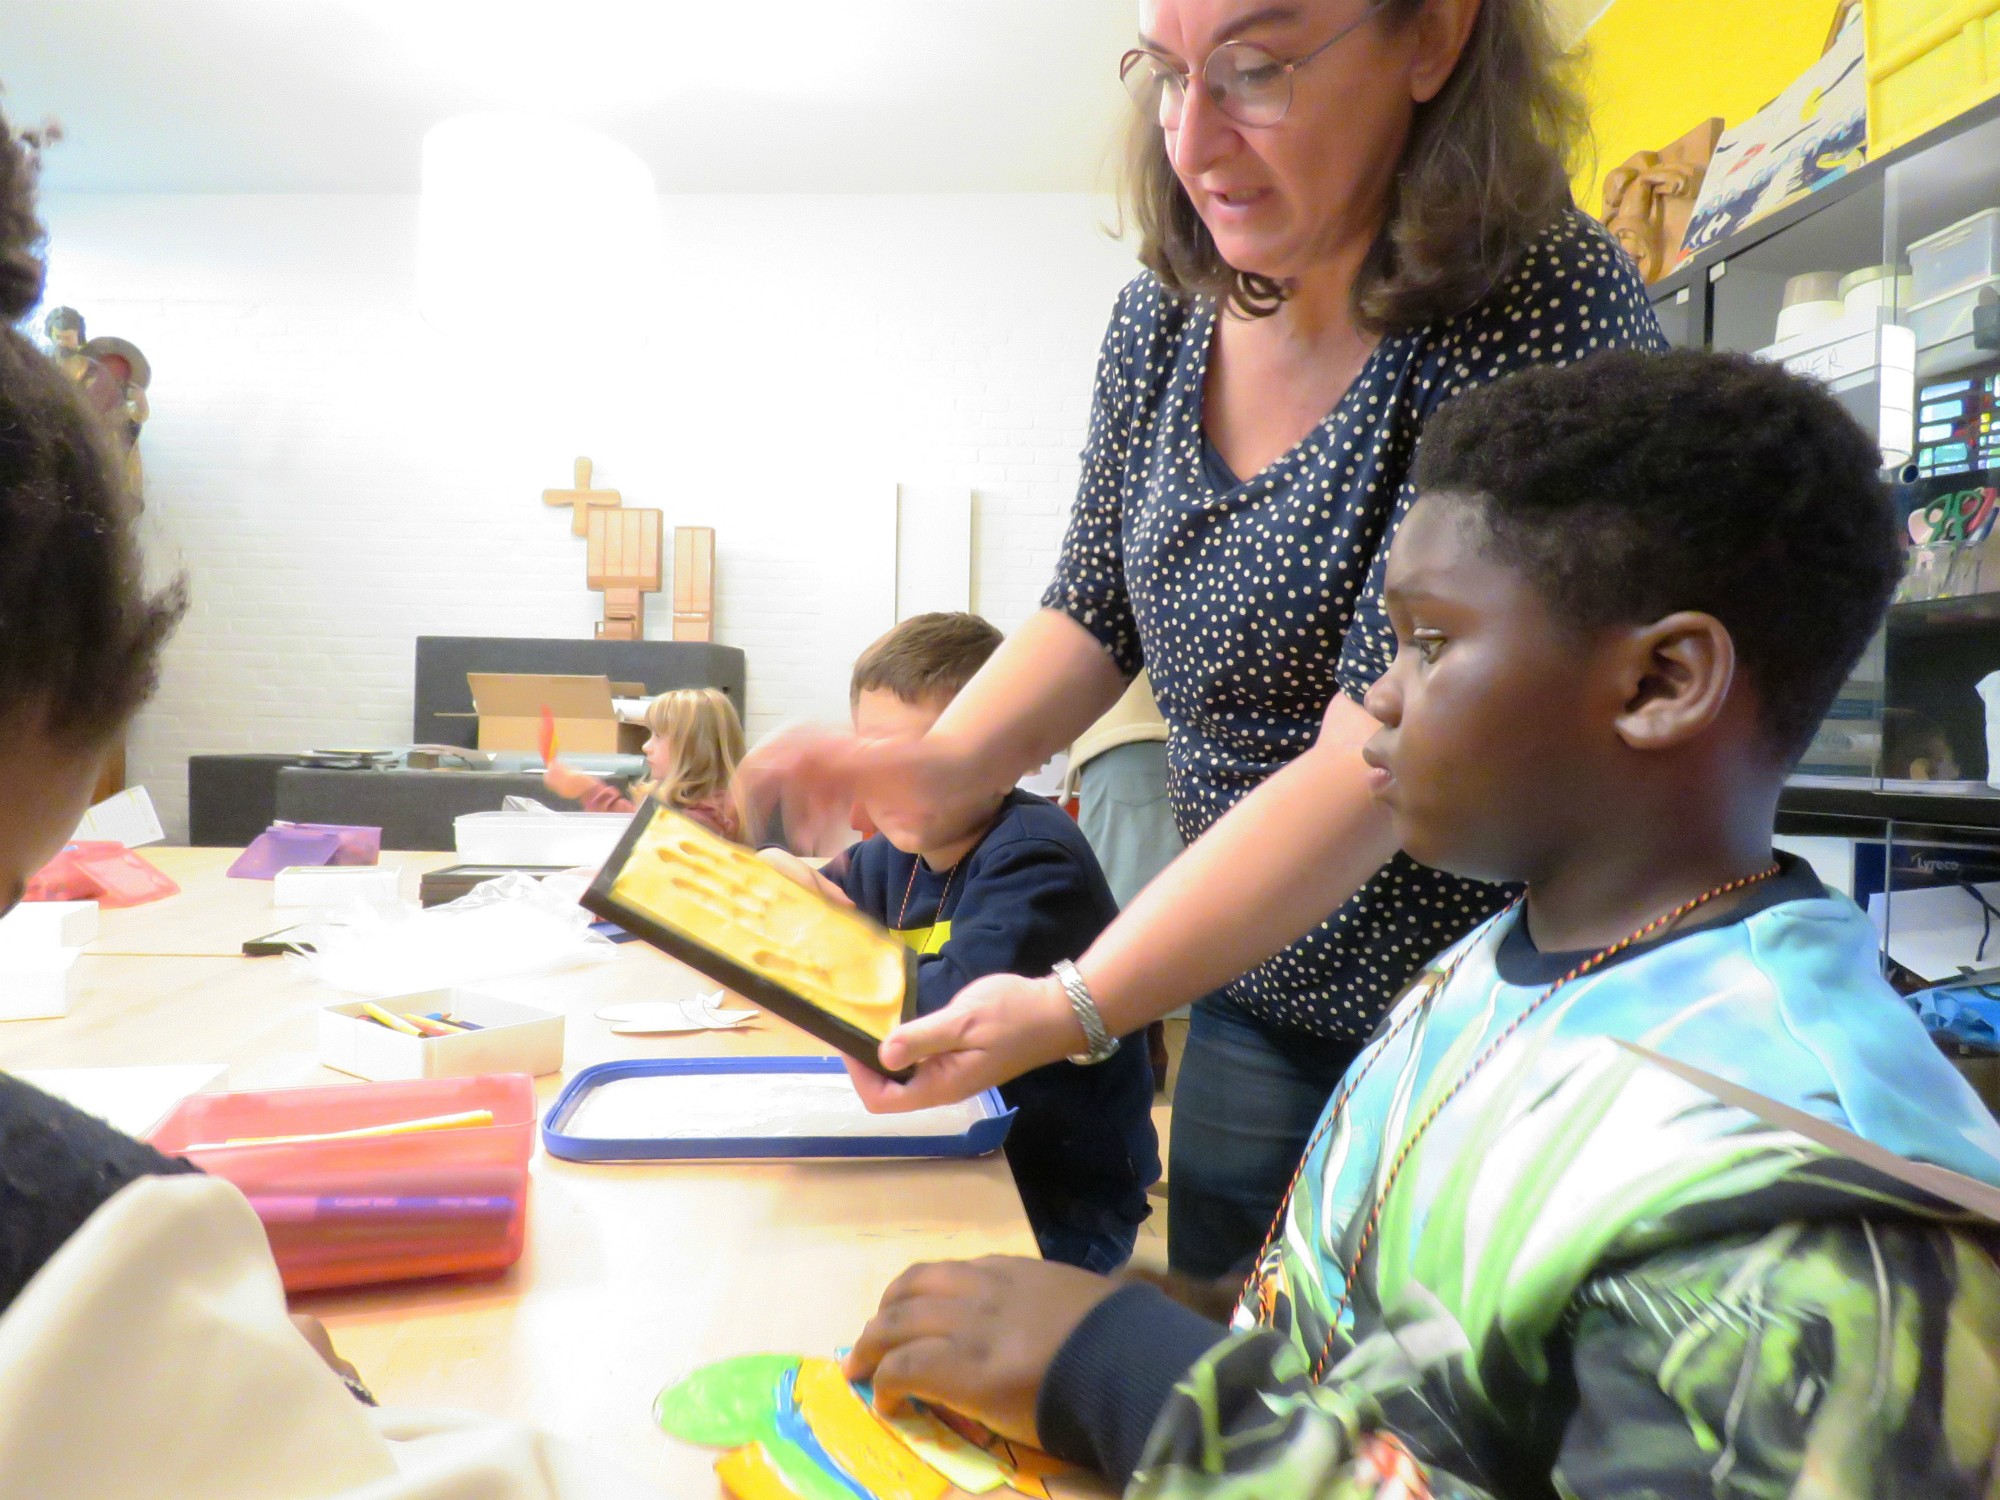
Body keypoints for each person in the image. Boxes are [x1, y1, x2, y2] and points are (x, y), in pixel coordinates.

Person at [841, 349, 2000, 1497]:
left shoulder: (1817, 1215)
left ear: (1660, 684)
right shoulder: (1497, 962)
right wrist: (1154, 1333)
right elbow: (1388, 1368)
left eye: (1429, 643)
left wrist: (1139, 1382)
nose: (1378, 698)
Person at [745, 0, 1663, 1277]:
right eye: (1167, 74)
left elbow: (1378, 759)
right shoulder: (1164, 318)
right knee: (1241, 1380)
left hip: (1488, 1025)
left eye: (1253, 68)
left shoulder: (1539, 309)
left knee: (1415, 1426)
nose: (1190, 137)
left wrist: (1079, 1002)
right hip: (1260, 977)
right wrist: (929, 772)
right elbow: (1090, 607)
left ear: (1433, 37)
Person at [763, 613, 1159, 1272]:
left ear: (1001, 760)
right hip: (963, 1147)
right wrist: (780, 876)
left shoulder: (1035, 859)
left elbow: (936, 1020)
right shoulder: (893, 851)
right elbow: (821, 889)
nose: (893, 784)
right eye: (874, 755)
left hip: (1059, 1196)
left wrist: (814, 929)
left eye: (919, 757)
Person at [545, 686, 745, 840]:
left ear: (694, 748)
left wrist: (590, 790)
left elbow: (642, 843)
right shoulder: (698, 807)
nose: (646, 746)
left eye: (658, 735)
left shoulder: (705, 820)